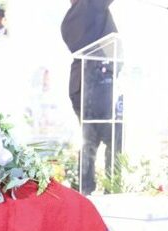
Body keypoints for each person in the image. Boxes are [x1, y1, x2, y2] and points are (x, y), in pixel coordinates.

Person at [61, 0, 122, 195]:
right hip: (96, 83)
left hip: (80, 84)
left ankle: (86, 189)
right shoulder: (90, 5)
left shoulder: (68, 20)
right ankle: (112, 187)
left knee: (89, 140)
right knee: (113, 137)